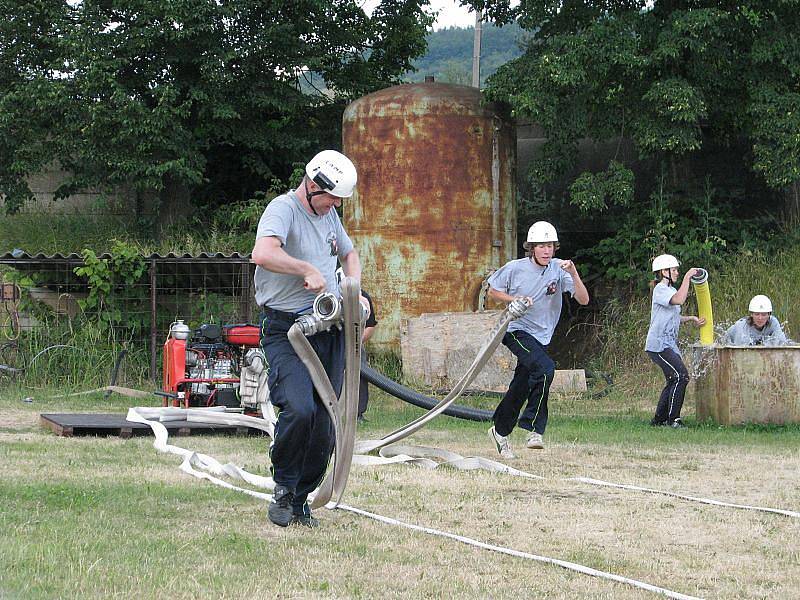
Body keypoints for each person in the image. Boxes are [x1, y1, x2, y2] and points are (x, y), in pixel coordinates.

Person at [252, 149, 366, 528]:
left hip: (328, 329)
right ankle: (283, 487)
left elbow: (350, 256)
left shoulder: (329, 214)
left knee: (326, 420)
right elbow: (263, 253)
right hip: (288, 330)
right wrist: (304, 268)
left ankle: (301, 498)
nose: (336, 205)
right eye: (332, 197)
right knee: (300, 409)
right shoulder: (283, 209)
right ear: (312, 185)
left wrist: (354, 289)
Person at [486, 221, 589, 458]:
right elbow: (492, 290)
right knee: (545, 369)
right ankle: (534, 429)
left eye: (550, 246)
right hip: (516, 330)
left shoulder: (559, 270)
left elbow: (583, 300)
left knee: (521, 387)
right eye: (541, 246)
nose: (546, 250)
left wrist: (573, 272)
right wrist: (514, 299)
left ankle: (500, 431)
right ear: (531, 248)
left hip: (542, 336)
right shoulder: (515, 268)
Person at [645, 254, 705, 429]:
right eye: (674, 270)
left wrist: (691, 318)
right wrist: (688, 277)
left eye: (678, 270)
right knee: (681, 376)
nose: (677, 272)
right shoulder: (660, 290)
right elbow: (679, 300)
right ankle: (673, 420)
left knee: (674, 379)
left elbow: (673, 316)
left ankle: (659, 420)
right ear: (664, 272)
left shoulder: (670, 290)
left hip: (667, 344)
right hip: (658, 345)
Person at [724, 295, 789, 346]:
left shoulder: (773, 322)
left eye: (763, 314)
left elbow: (782, 343)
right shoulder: (742, 327)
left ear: (769, 315)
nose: (760, 318)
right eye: (757, 314)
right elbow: (740, 351)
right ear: (751, 314)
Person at [357, 290, 378, 422]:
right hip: (327, 341)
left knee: (361, 375)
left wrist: (354, 342)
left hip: (354, 343)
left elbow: (370, 327)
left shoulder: (362, 297)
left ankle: (358, 414)